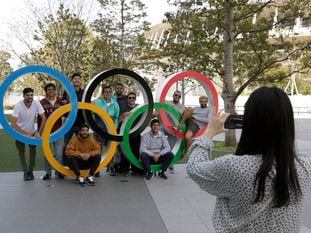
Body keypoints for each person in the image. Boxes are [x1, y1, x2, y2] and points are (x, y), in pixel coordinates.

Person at [186, 86, 311, 233]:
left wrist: (210, 132)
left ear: (250, 120)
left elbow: (194, 167)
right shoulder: (304, 167)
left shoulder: (235, 166)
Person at [11, 87, 46, 181]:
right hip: (19, 132)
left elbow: (43, 117)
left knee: (33, 152)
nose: (30, 97)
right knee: (21, 152)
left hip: (31, 132)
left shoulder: (36, 103)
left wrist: (39, 131)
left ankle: (30, 171)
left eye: (31, 95)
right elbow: (13, 123)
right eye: (27, 95)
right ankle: (25, 172)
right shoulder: (18, 106)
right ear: (23, 96)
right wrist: (25, 133)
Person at [174, 95, 212, 160]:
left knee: (187, 136)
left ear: (207, 102)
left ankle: (187, 152)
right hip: (188, 120)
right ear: (199, 102)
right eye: (201, 101)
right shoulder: (196, 108)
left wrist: (194, 117)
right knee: (189, 108)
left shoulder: (209, 109)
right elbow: (189, 113)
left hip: (195, 124)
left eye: (204, 101)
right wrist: (187, 111)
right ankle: (179, 125)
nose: (203, 103)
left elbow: (207, 120)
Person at [39, 83, 64, 180]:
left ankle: (59, 171)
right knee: (47, 154)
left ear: (55, 91)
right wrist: (40, 132)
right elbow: (40, 118)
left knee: (59, 154)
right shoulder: (41, 103)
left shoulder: (60, 101)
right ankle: (48, 173)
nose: (51, 91)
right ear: (46, 92)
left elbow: (67, 114)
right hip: (46, 132)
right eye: (49, 89)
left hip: (59, 131)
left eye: (52, 89)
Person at [93, 85, 120, 176]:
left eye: (109, 91)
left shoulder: (115, 104)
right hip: (100, 129)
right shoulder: (98, 102)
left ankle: (110, 167)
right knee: (98, 149)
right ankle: (96, 169)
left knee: (111, 150)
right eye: (105, 92)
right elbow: (89, 105)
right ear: (103, 93)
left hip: (111, 130)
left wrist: (105, 116)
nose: (107, 93)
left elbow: (116, 116)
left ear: (111, 93)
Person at [62, 72, 85, 169]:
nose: (77, 80)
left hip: (81, 122)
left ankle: (82, 165)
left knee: (83, 145)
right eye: (75, 78)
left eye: (78, 78)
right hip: (70, 123)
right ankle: (64, 165)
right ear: (72, 81)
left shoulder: (84, 92)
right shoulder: (67, 92)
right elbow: (63, 105)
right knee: (66, 144)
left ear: (81, 81)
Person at [118, 92, 143, 176]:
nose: (131, 99)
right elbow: (119, 120)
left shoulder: (139, 107)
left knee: (135, 151)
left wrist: (155, 114)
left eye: (133, 98)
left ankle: (135, 169)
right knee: (124, 151)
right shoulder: (123, 107)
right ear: (127, 99)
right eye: (130, 98)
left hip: (136, 133)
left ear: (135, 99)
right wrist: (124, 115)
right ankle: (124, 169)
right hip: (125, 133)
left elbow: (146, 116)